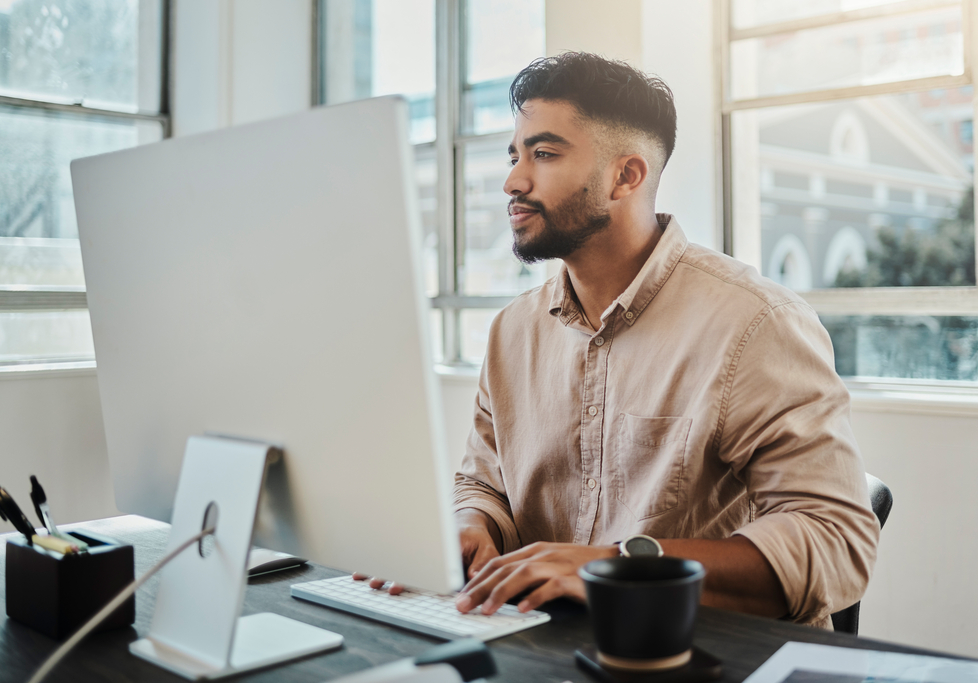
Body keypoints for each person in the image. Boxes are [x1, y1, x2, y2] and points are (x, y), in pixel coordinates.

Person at [359, 52, 879, 628]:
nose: (512, 181)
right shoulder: (513, 331)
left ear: (626, 176)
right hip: (543, 646)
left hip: (700, 656)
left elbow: (837, 541)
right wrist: (469, 527)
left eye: (544, 154)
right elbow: (484, 483)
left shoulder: (757, 324)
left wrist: (614, 569)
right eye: (514, 155)